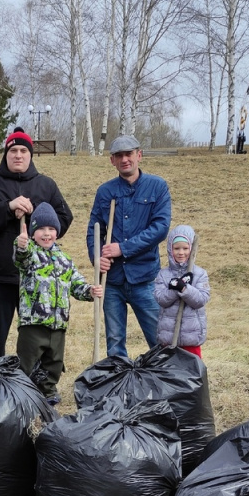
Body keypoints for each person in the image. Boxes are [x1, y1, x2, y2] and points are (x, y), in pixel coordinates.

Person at [0, 127, 73, 360]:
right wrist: (8, 207)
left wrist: (35, 216)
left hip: (38, 278)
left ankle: (36, 380)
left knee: (37, 339)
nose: (18, 155)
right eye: (13, 150)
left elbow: (64, 219)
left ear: (30, 155)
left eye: (23, 151)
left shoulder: (46, 185)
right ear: (6, 154)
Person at [87, 134, 171, 358]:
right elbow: (95, 230)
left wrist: (123, 249)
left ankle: (164, 377)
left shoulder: (157, 187)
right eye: (119, 156)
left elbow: (160, 228)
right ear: (112, 160)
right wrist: (97, 258)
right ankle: (119, 378)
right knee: (114, 344)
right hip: (112, 281)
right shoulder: (105, 192)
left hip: (144, 278)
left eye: (129, 154)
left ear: (139, 155)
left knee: (160, 340)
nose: (125, 159)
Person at [14, 202, 103, 405]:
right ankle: (23, 392)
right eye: (41, 229)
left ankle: (47, 390)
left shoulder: (65, 259)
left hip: (58, 323)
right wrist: (21, 246)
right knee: (28, 360)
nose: (46, 234)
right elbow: (21, 259)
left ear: (57, 232)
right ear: (33, 233)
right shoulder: (31, 254)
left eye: (51, 229)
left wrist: (90, 290)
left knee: (54, 360)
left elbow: (76, 284)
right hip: (34, 322)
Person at [154, 226, 210, 358]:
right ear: (170, 249)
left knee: (192, 369)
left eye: (185, 248)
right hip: (168, 337)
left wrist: (185, 289)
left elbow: (201, 300)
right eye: (176, 248)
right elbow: (161, 299)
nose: (181, 252)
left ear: (192, 249)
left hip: (191, 338)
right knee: (169, 369)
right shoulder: (163, 274)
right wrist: (175, 289)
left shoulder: (200, 274)